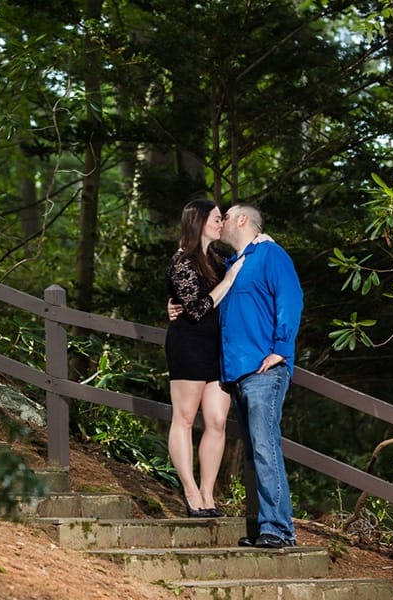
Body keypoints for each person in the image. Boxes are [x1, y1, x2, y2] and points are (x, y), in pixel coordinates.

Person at [217, 203, 303, 549]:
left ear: (242, 220)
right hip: (236, 372)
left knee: (266, 448)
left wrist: (282, 347)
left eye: (225, 217)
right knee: (255, 451)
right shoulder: (232, 264)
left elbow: (291, 298)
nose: (220, 222)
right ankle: (268, 526)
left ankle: (278, 530)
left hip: (263, 371)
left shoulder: (271, 255)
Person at [164, 197, 245, 518]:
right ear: (198, 222)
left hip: (217, 347)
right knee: (184, 419)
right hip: (189, 344)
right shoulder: (182, 261)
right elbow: (196, 310)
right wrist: (228, 281)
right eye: (216, 218)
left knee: (217, 420)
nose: (221, 223)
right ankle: (190, 492)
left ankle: (209, 494)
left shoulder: (218, 258)